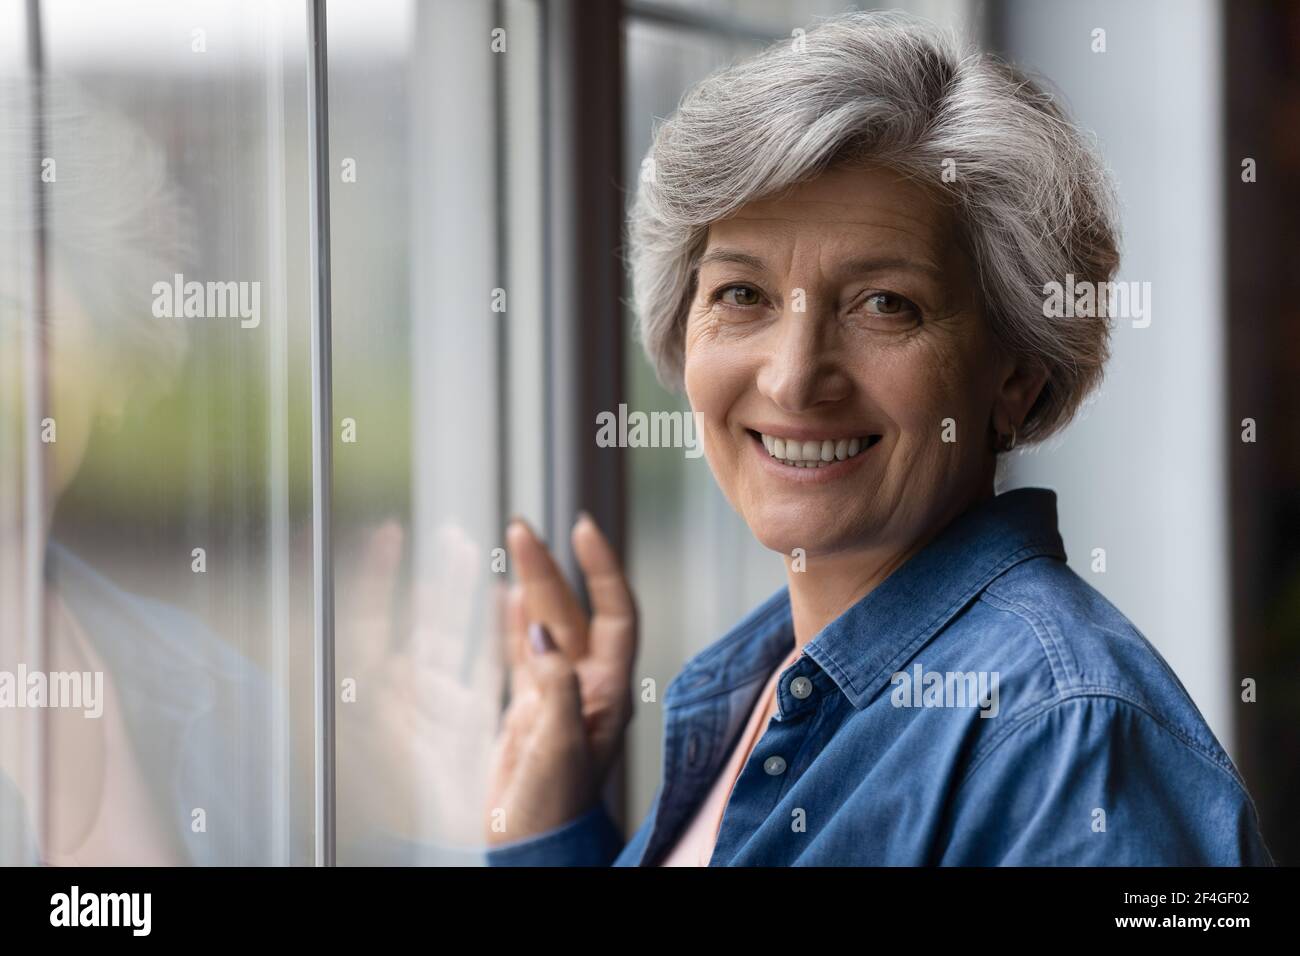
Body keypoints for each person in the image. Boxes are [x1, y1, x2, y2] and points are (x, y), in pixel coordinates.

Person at [481, 11, 1274, 866]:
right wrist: (547, 835)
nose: (791, 378)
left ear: (1015, 376)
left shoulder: (1068, 736)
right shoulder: (758, 681)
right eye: (741, 294)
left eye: (884, 304)